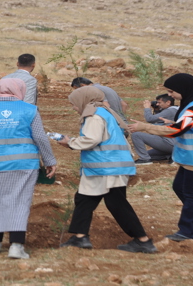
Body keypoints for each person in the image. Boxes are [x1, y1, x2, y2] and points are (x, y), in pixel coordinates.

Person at [56, 86, 157, 254]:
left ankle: (143, 241)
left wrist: (70, 142)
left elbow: (92, 139)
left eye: (74, 104)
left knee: (116, 204)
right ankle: (80, 237)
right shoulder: (104, 112)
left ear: (83, 101)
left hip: (107, 167)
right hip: (107, 167)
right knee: (84, 199)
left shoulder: (94, 116)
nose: (73, 107)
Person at [0, 78, 57, 259]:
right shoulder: (29, 110)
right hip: (23, 164)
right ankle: (16, 246)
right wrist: (49, 160)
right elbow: (40, 137)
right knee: (19, 202)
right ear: (19, 90)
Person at [128, 73, 193, 242]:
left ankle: (188, 232)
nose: (170, 95)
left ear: (183, 89)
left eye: (172, 91)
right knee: (180, 187)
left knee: (190, 193)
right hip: (192, 157)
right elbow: (185, 127)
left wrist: (144, 127)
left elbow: (178, 130)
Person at [131, 94, 178, 165]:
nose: (158, 104)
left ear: (168, 102)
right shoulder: (177, 109)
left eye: (159, 102)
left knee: (136, 135)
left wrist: (147, 108)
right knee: (149, 154)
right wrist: (156, 110)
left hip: (170, 143)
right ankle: (170, 155)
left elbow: (150, 119)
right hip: (175, 144)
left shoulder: (170, 111)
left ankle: (144, 160)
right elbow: (159, 124)